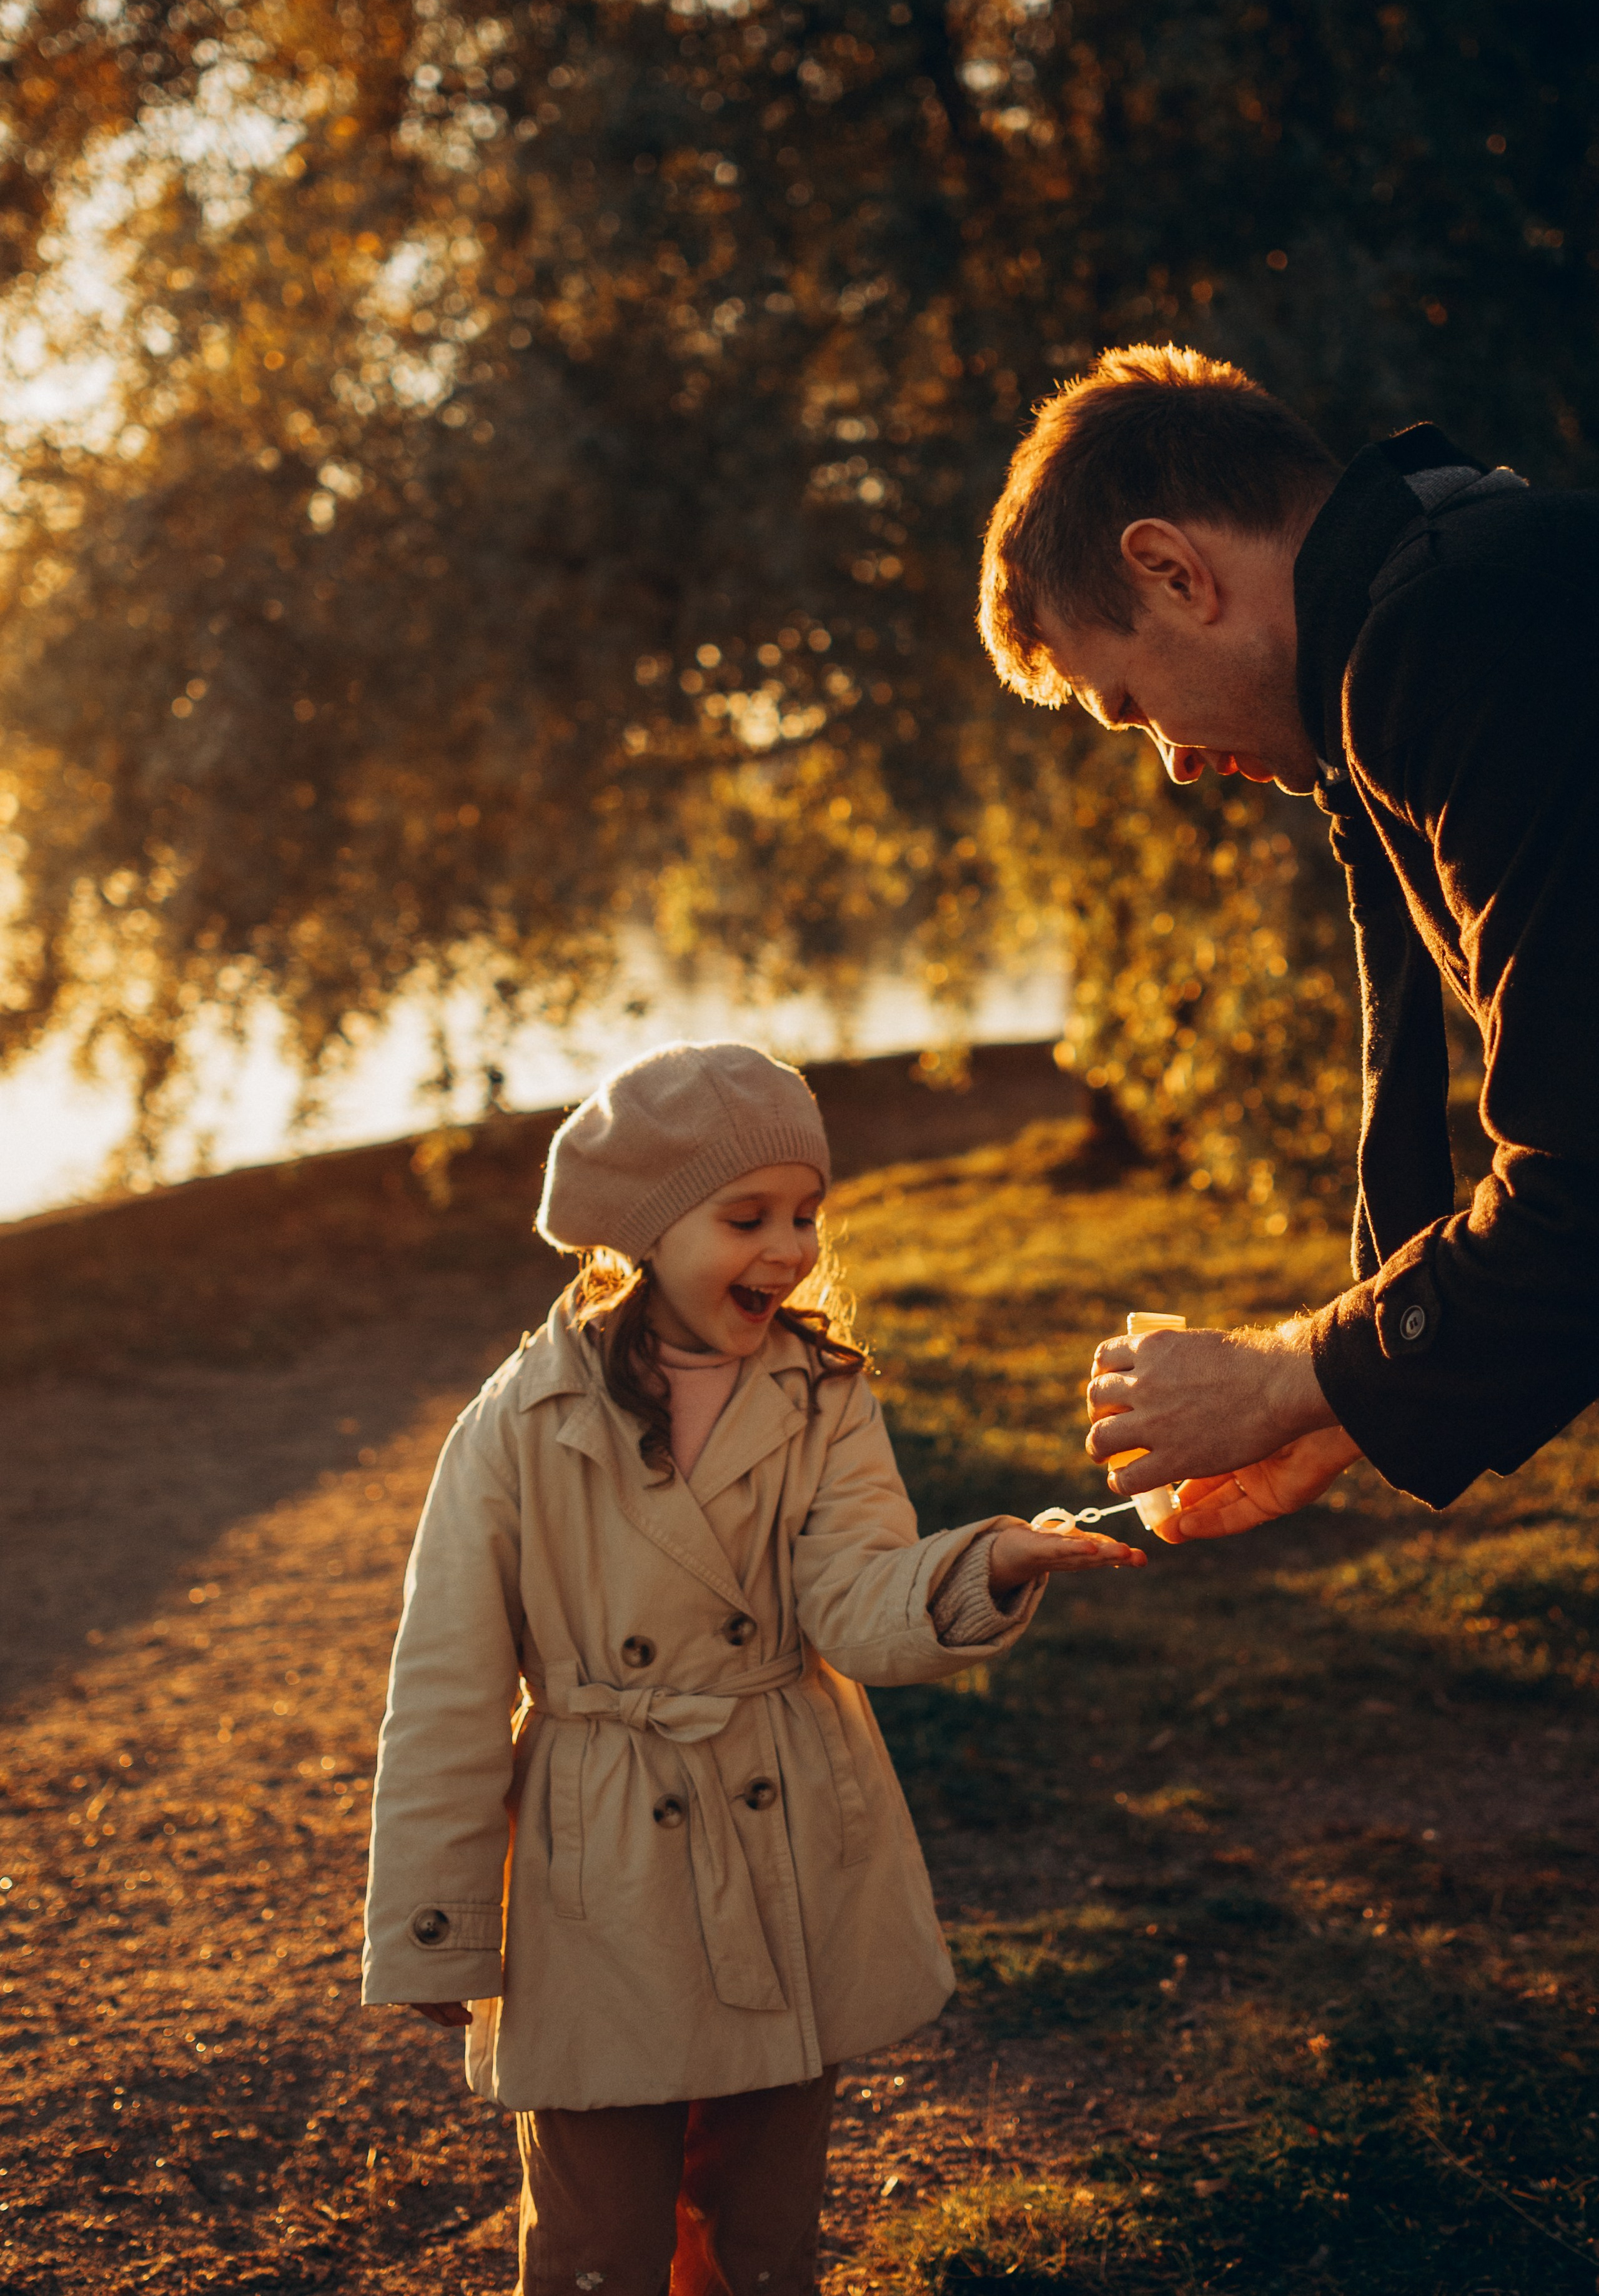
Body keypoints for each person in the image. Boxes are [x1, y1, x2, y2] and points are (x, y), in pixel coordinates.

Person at [362, 1040, 1142, 2296]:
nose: (787, 1248)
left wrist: (987, 1563)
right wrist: (434, 1924)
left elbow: (855, 1599)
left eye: (804, 1215)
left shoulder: (824, 1397)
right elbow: (445, 1686)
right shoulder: (517, 1425)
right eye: (746, 1217)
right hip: (596, 1864)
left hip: (782, 1840)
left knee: (761, 2233)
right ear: (642, 1230)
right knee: (595, 2246)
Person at [978, 343, 1599, 1538]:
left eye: (1133, 706)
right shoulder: (1467, 593)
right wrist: (1348, 1396)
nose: (1178, 763)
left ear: (1170, 571)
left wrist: (1293, 1373)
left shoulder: (1459, 639)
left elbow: (1587, 1175)